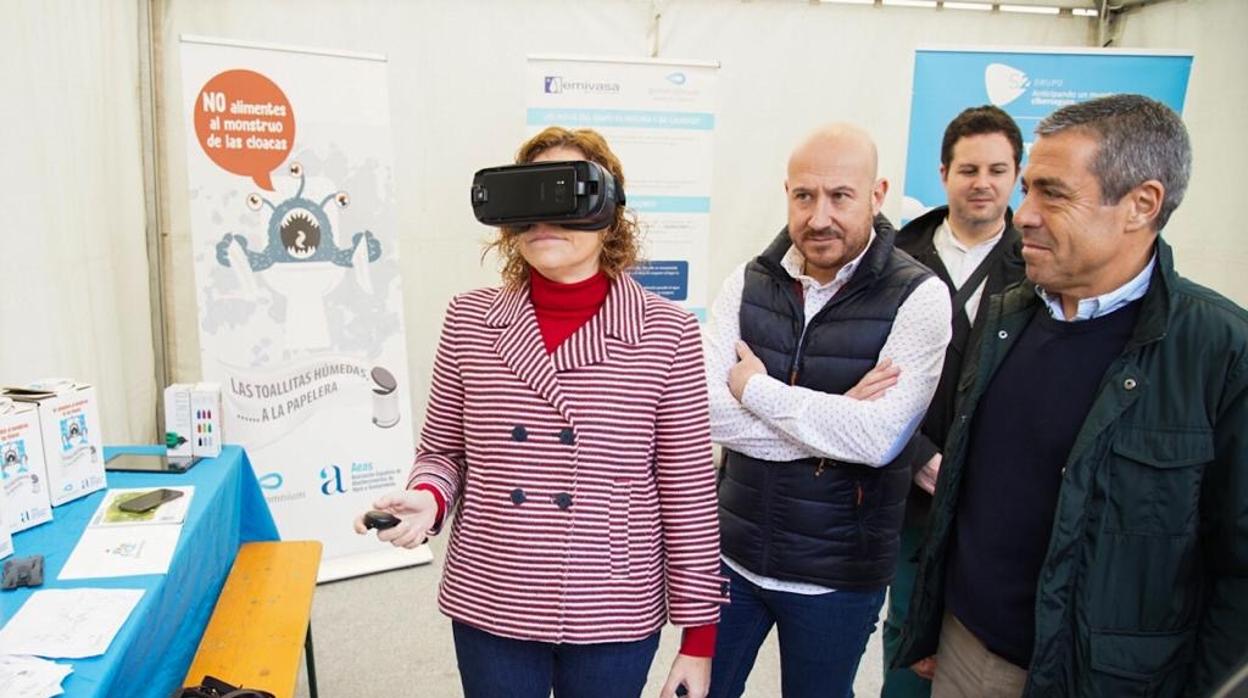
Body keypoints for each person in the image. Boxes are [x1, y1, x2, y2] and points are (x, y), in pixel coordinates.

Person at [895, 94, 1248, 697]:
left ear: (1142, 204)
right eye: (1027, 188)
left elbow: (1238, 571)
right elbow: (969, 491)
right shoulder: (1009, 318)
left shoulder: (1219, 351)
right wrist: (936, 624)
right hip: (963, 650)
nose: (1023, 213)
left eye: (1051, 193)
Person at [357, 126, 728, 698]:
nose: (543, 219)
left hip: (612, 597)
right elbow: (443, 452)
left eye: (565, 197)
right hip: (494, 588)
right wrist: (428, 499)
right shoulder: (470, 320)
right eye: (527, 201)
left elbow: (688, 491)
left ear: (609, 213)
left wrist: (698, 642)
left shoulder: (668, 333)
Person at [705, 123, 953, 698]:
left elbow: (879, 441)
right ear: (787, 193)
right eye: (804, 196)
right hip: (733, 556)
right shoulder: (747, 282)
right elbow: (704, 412)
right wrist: (837, 418)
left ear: (877, 193)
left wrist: (756, 390)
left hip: (839, 576)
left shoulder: (919, 297)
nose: (819, 217)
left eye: (840, 196)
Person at [883, 105, 1026, 698]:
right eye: (969, 169)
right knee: (907, 641)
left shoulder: (1038, 265)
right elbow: (861, 367)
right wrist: (916, 454)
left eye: (998, 169)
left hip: (994, 498)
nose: (983, 183)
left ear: (1016, 175)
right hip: (908, 488)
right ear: (943, 173)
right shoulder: (893, 259)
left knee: (979, 652)